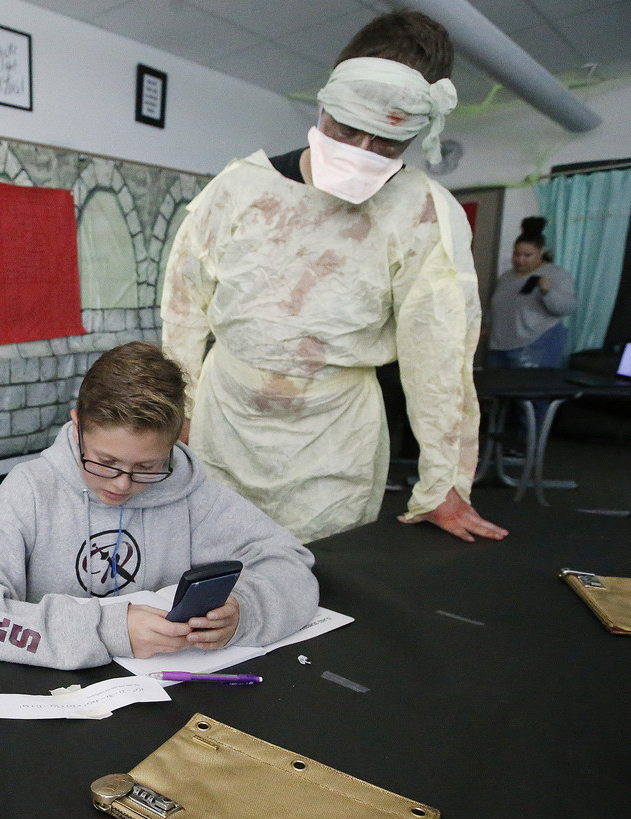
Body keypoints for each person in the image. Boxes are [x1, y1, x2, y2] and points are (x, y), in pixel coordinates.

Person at [160, 11, 508, 545]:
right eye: (347, 130)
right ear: (324, 105)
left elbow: (439, 354)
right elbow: (184, 309)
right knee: (209, 566)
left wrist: (445, 481)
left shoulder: (422, 212)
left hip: (335, 436)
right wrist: (176, 411)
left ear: (418, 133)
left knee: (325, 585)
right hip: (225, 419)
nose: (360, 153)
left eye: (387, 143)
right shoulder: (240, 188)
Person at [0, 342, 318, 670]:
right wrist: (107, 629)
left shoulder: (193, 493)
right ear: (77, 427)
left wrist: (243, 613)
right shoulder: (31, 491)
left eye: (147, 466)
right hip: (53, 697)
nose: (122, 484)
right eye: (105, 462)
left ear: (177, 439)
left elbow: (290, 566)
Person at [489, 216, 578, 368]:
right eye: (516, 254)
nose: (520, 260)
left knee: (527, 390)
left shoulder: (555, 274)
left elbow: (568, 307)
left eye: (527, 255)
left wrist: (546, 292)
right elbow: (499, 305)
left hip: (535, 345)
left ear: (541, 251)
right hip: (499, 346)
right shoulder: (506, 276)